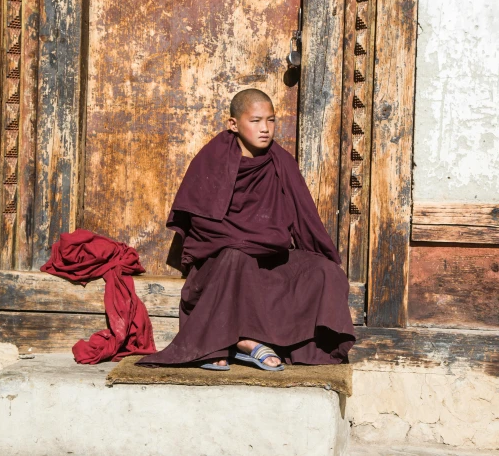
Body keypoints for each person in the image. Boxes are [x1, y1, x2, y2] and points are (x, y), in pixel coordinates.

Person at [136, 88, 355, 371]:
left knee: (325, 271)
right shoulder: (212, 160)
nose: (265, 129)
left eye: (271, 120)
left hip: (271, 253)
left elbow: (304, 222)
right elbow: (201, 226)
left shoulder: (282, 163)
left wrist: (269, 241)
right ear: (233, 124)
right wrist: (253, 239)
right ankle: (244, 342)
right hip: (224, 258)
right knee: (236, 257)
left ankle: (253, 340)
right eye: (255, 121)